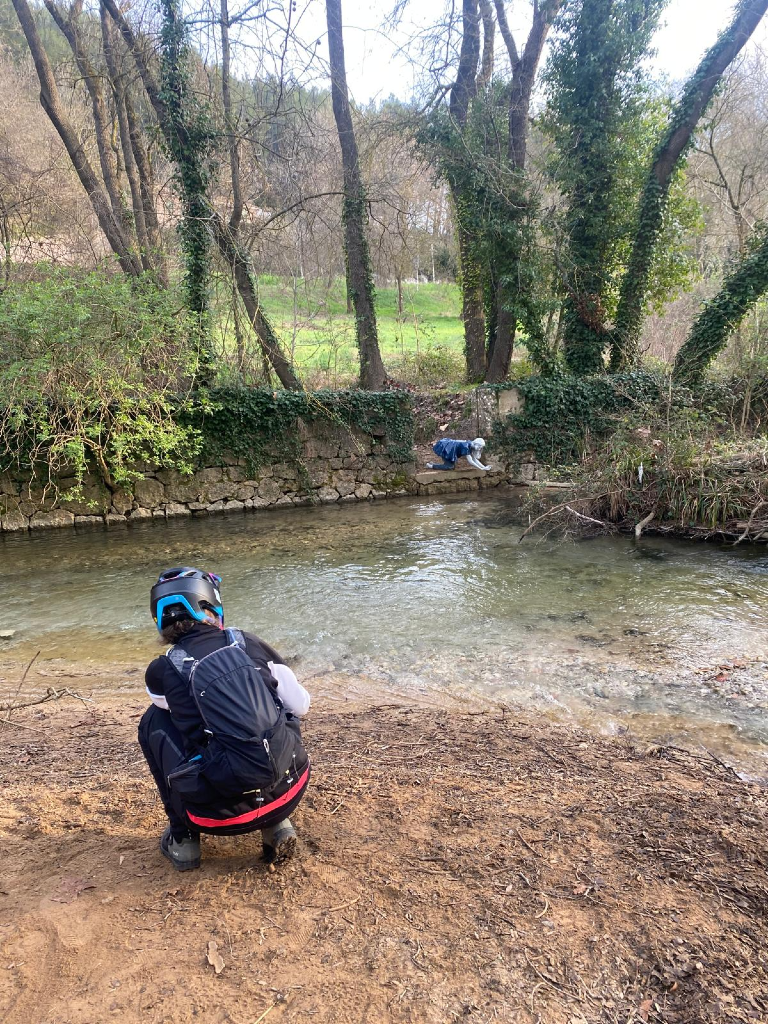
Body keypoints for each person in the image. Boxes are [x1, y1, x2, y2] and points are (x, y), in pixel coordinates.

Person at [138, 567, 311, 872]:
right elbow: (301, 705)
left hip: (217, 815)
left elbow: (173, 711)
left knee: (153, 721)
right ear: (210, 605)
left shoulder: (162, 668)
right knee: (276, 710)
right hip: (292, 787)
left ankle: (184, 841)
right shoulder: (248, 643)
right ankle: (276, 824)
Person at [427, 437, 491, 472]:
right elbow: (471, 461)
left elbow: (474, 459)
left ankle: (432, 464)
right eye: (479, 447)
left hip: (450, 449)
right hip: (446, 448)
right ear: (476, 444)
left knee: (451, 466)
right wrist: (481, 469)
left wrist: (484, 467)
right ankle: (431, 466)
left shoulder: (470, 445)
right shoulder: (466, 446)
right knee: (450, 467)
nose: (479, 449)